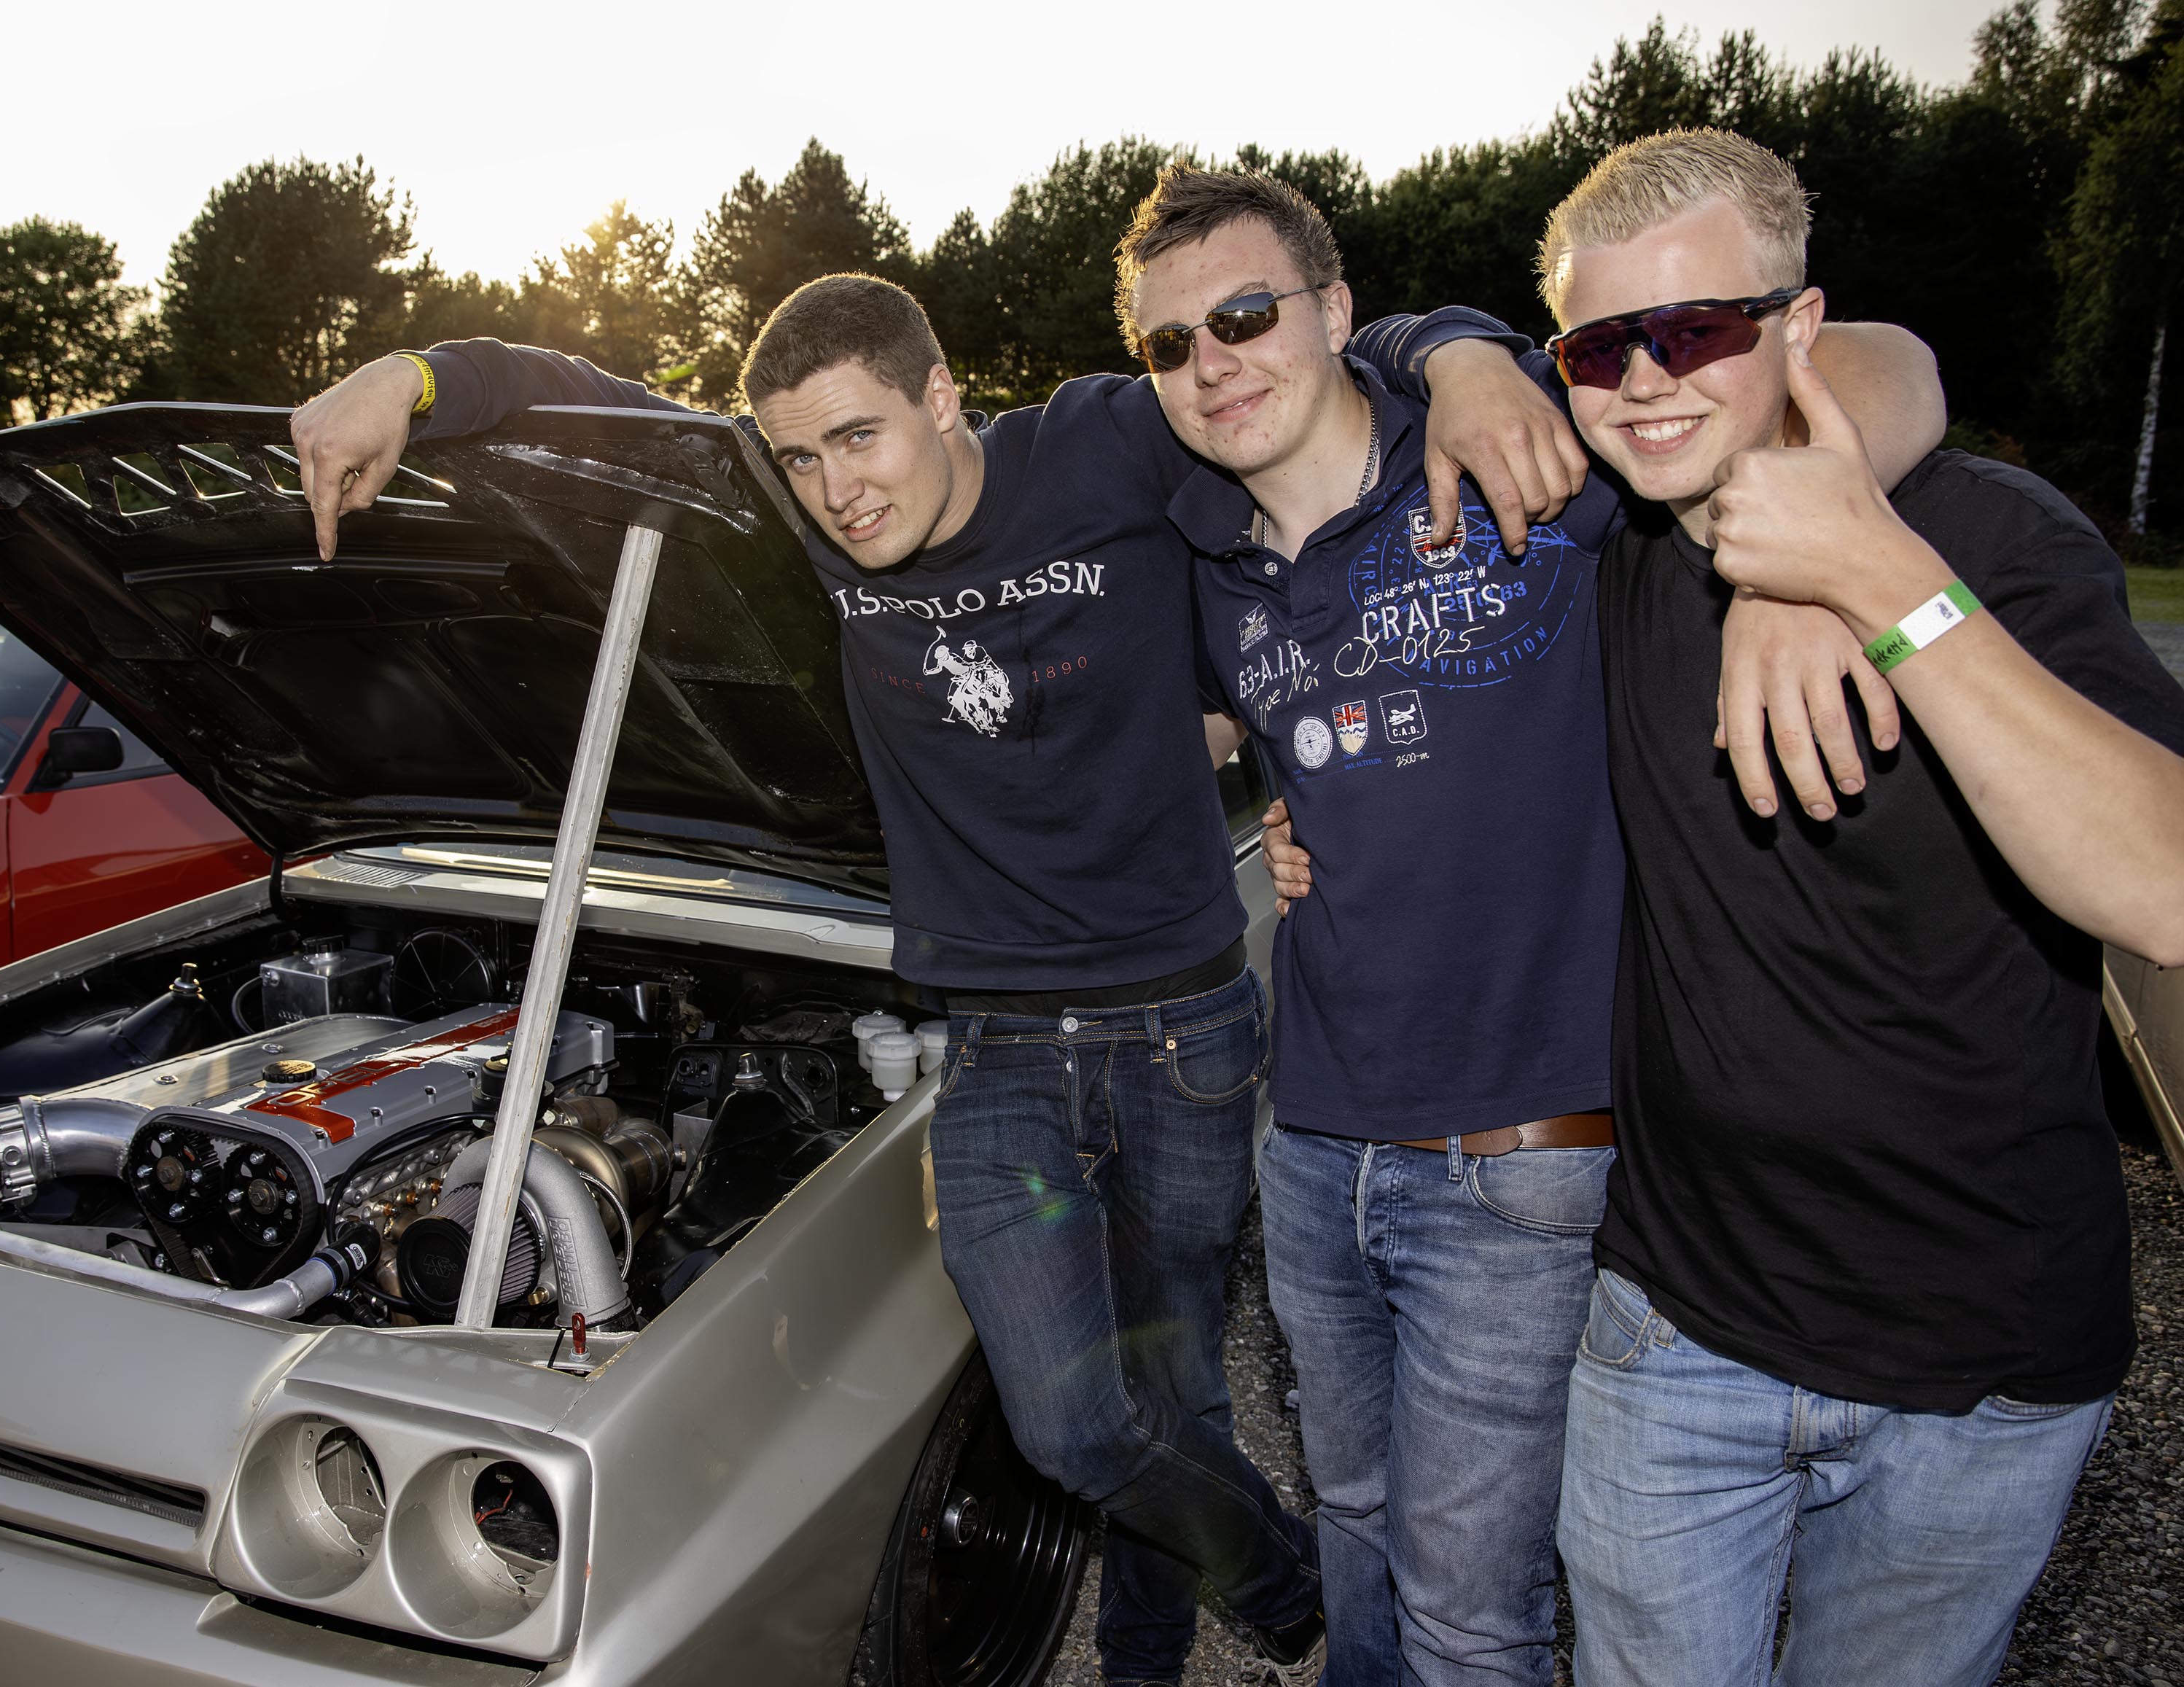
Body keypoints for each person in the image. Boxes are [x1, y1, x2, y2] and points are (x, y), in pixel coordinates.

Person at [289, 279, 1582, 1684]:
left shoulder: (1102, 441)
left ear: (944, 396)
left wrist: (1456, 355)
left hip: (1187, 1032)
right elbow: (583, 396)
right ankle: (1287, 1584)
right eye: (800, 457)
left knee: (1183, 1385)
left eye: (861, 438)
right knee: (1074, 1419)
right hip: (998, 1048)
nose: (835, 490)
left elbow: (1280, 376)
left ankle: (1142, 1664)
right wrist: (407, 378)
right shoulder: (809, 514)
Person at [1121, 165, 1943, 1686]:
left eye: (1242, 316)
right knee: (1357, 1515)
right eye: (1168, 345)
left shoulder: (1528, 462)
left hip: (1521, 1162)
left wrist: (1809, 553)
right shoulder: (1203, 564)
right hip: (1308, 1143)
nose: (1211, 362)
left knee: (1468, 1607)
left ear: (1339, 313)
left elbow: (1885, 365)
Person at [1524, 128, 2184, 1687]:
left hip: (1983, 1359)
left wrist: (1869, 583)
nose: (1642, 381)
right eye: (1592, 346)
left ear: (1797, 328)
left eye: (1691, 329)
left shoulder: (1997, 544)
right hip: (1678, 1320)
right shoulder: (1612, 559)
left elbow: (2159, 881)